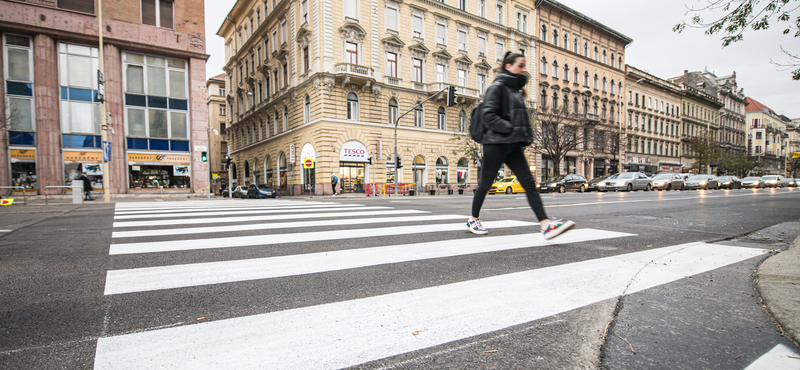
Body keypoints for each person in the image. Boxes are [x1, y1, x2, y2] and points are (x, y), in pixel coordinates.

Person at [467, 51, 574, 240]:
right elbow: (489, 115)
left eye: (525, 66)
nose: (524, 70)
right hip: (496, 143)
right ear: (508, 67)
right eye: (520, 66)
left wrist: (522, 134)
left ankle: (545, 224)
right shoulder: (498, 86)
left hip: (512, 144)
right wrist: (511, 128)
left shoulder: (515, 91)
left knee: (529, 184)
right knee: (486, 183)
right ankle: (473, 219)